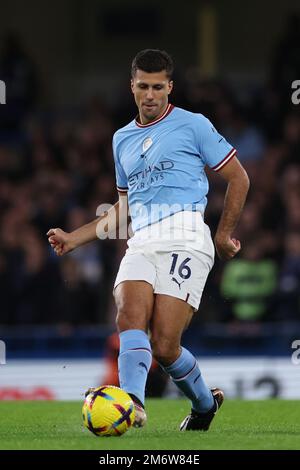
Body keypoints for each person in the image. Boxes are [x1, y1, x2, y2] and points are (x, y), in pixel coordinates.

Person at [47, 49, 249, 431]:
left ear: (170, 87)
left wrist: (223, 235)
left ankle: (204, 405)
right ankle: (133, 402)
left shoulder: (194, 125)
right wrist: (75, 239)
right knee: (128, 317)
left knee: (165, 345)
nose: (151, 95)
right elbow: (124, 208)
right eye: (143, 86)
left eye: (159, 87)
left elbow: (239, 178)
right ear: (132, 87)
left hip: (186, 236)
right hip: (141, 239)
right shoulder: (121, 138)